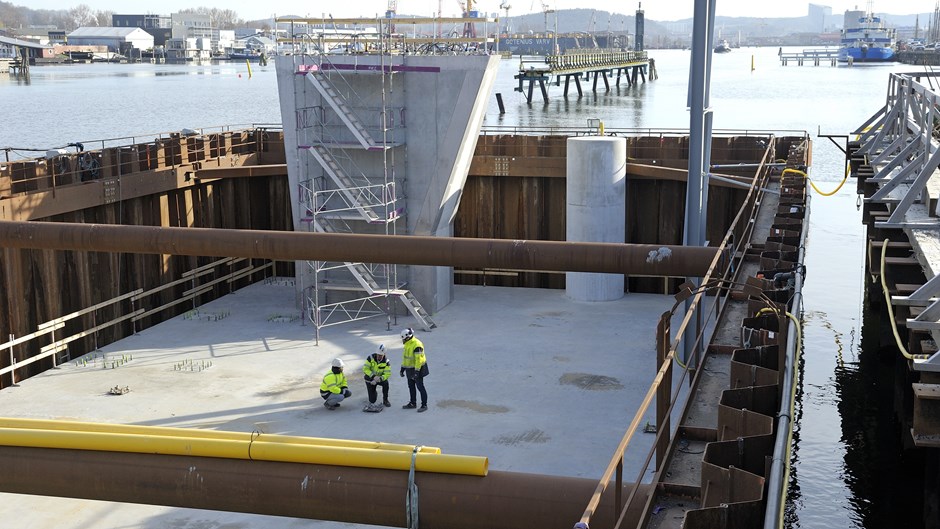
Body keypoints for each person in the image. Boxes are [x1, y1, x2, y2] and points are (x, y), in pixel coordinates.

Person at [399, 327, 428, 412]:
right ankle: (412, 403)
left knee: (420, 387)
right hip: (409, 369)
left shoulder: (417, 344)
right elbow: (406, 358)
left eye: (404, 339)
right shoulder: (407, 344)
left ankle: (424, 405)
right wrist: (402, 369)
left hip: (418, 369)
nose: (403, 341)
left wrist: (416, 372)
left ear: (408, 337)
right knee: (411, 386)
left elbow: (418, 360)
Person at [363, 343, 392, 409]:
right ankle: (373, 393)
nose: (379, 357)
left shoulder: (386, 362)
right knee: (372, 400)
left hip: (379, 379)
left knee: (386, 383)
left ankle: (385, 400)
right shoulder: (370, 358)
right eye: (378, 355)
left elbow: (387, 373)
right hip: (370, 378)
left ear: (384, 354)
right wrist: (373, 377)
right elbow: (365, 369)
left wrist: (380, 379)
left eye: (380, 355)